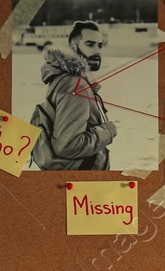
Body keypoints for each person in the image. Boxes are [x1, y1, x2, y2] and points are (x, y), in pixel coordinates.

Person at [30, 21, 118, 170]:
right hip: (81, 173)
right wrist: (108, 131)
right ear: (73, 47)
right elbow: (68, 146)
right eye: (90, 45)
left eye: (100, 45)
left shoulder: (64, 78)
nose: (97, 51)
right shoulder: (75, 84)